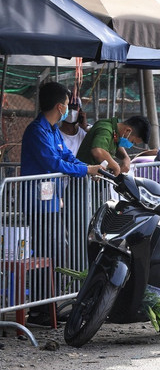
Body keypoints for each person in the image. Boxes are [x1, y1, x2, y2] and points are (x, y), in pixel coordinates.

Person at [20, 82, 101, 325]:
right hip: (38, 203)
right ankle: (39, 310)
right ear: (59, 106)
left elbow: (65, 156)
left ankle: (49, 307)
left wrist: (85, 168)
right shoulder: (37, 131)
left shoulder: (53, 130)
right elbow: (53, 163)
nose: (69, 109)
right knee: (47, 253)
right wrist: (85, 170)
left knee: (55, 253)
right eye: (67, 104)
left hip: (52, 202)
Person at [75, 115, 150, 175]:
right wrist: (116, 167)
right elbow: (98, 151)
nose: (130, 145)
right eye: (132, 142)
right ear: (128, 130)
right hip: (81, 180)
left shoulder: (115, 132)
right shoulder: (105, 129)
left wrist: (126, 158)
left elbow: (116, 144)